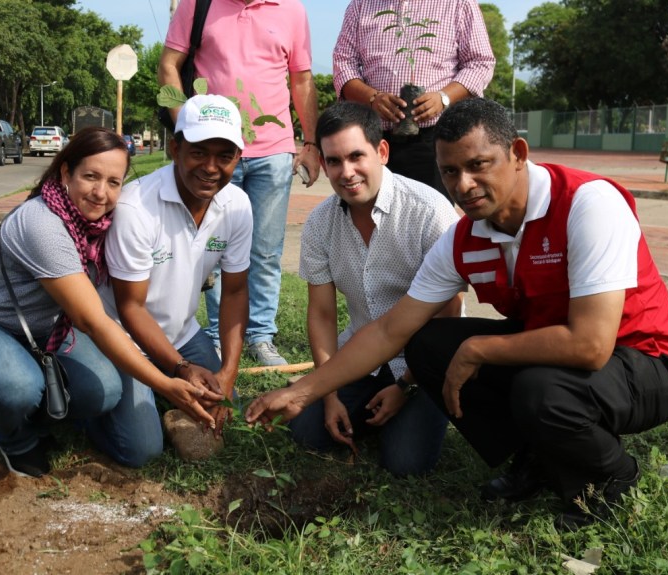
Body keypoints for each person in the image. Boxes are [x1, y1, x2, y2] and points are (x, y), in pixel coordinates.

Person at [247, 98, 668, 530]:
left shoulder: (587, 202)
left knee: (540, 390)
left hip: (647, 361)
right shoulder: (465, 236)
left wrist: (479, 349)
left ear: (518, 154)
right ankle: (536, 454)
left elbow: (591, 345)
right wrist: (303, 392)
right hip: (559, 358)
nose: (463, 185)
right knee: (429, 344)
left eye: (478, 164)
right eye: (450, 171)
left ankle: (613, 477)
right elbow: (389, 330)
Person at [0, 127, 222, 478]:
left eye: (113, 182)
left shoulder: (99, 225)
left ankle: (44, 410)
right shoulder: (42, 224)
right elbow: (92, 320)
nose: (101, 192)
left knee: (105, 390)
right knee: (17, 386)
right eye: (90, 177)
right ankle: (17, 437)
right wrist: (165, 383)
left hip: (45, 331)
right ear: (66, 173)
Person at [288, 101, 460, 475]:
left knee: (404, 464)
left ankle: (410, 414)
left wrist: (406, 386)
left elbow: (449, 315)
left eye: (356, 156)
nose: (346, 172)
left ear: (382, 151)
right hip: (360, 357)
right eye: (334, 161)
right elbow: (322, 314)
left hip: (423, 364)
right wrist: (328, 393)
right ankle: (367, 412)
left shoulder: (429, 211)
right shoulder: (319, 223)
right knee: (306, 430)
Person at [158, 0, 321, 366]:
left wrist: (311, 144)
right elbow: (169, 64)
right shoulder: (198, 3)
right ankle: (218, 335)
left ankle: (261, 336)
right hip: (214, 152)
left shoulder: (292, 9)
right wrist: (186, 126)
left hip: (273, 150)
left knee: (265, 251)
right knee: (213, 248)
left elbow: (302, 79)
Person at [99, 94, 251, 435]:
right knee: (140, 447)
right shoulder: (136, 207)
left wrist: (228, 373)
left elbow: (235, 292)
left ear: (238, 158)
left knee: (229, 409)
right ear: (175, 149)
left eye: (224, 156)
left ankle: (161, 386)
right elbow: (131, 307)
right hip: (125, 337)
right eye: (199, 153)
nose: (211, 167)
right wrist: (181, 368)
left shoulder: (238, 205)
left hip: (182, 333)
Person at [333, 0, 495, 201]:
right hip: (373, 137)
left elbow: (480, 62)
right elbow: (343, 63)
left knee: (432, 210)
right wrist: (372, 98)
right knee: (373, 210)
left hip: (434, 139)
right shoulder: (360, 5)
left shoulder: (458, 3)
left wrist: (443, 97)